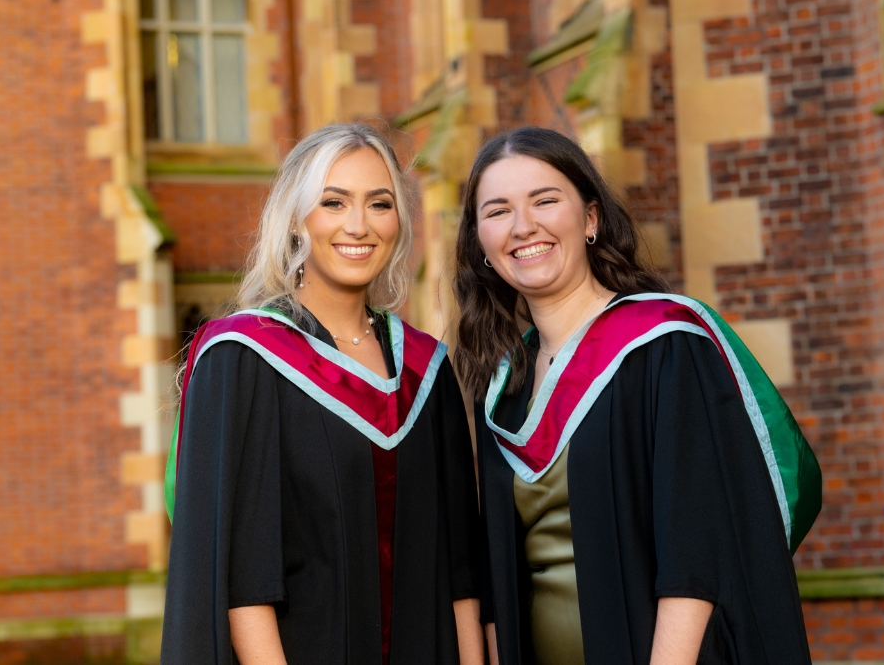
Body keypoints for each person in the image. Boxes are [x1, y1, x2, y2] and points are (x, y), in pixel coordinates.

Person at [453, 127, 820, 665]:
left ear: (591, 219)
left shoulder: (664, 347)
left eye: (545, 200)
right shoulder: (505, 386)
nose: (523, 226)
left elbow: (697, 547)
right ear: (480, 243)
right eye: (498, 211)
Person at [161, 124, 484, 665]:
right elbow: (243, 579)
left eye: (379, 204)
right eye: (333, 202)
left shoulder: (426, 370)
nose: (358, 225)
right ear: (295, 218)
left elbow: (460, 576)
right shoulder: (246, 359)